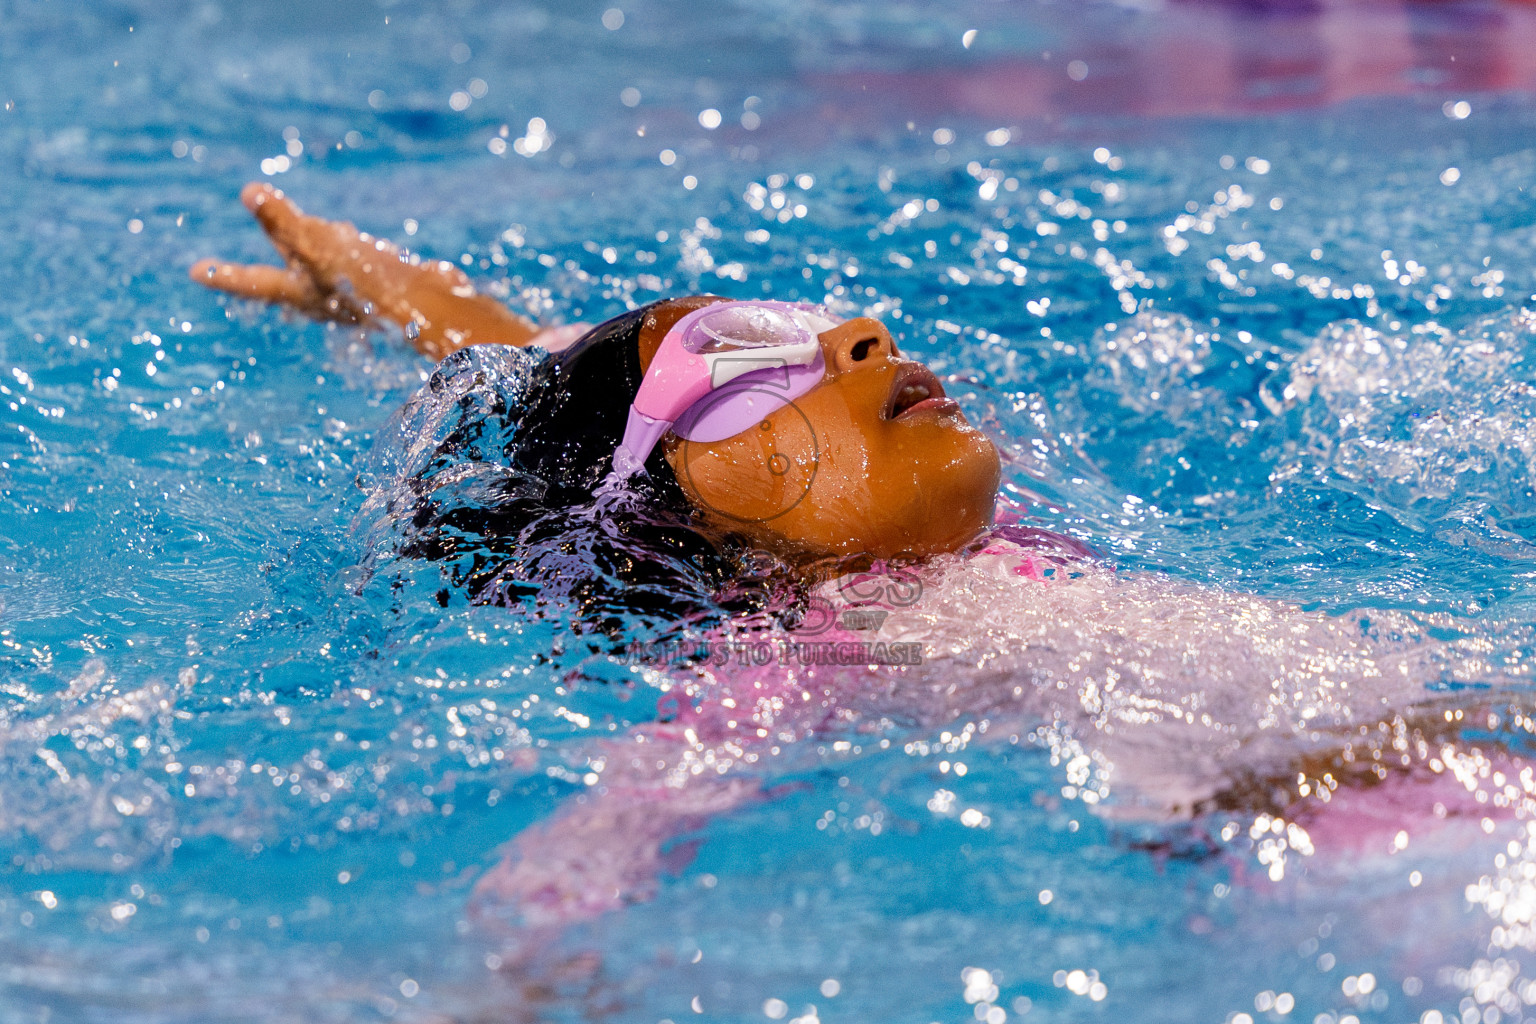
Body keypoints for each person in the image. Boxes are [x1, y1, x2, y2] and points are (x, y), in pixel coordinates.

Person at [191, 184, 1517, 939]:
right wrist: (521, 972)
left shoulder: (991, 558)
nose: (863, 335)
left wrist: (417, 299)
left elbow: (571, 393)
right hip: (1358, 831)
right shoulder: (803, 647)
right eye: (759, 360)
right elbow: (616, 824)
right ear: (691, 510)